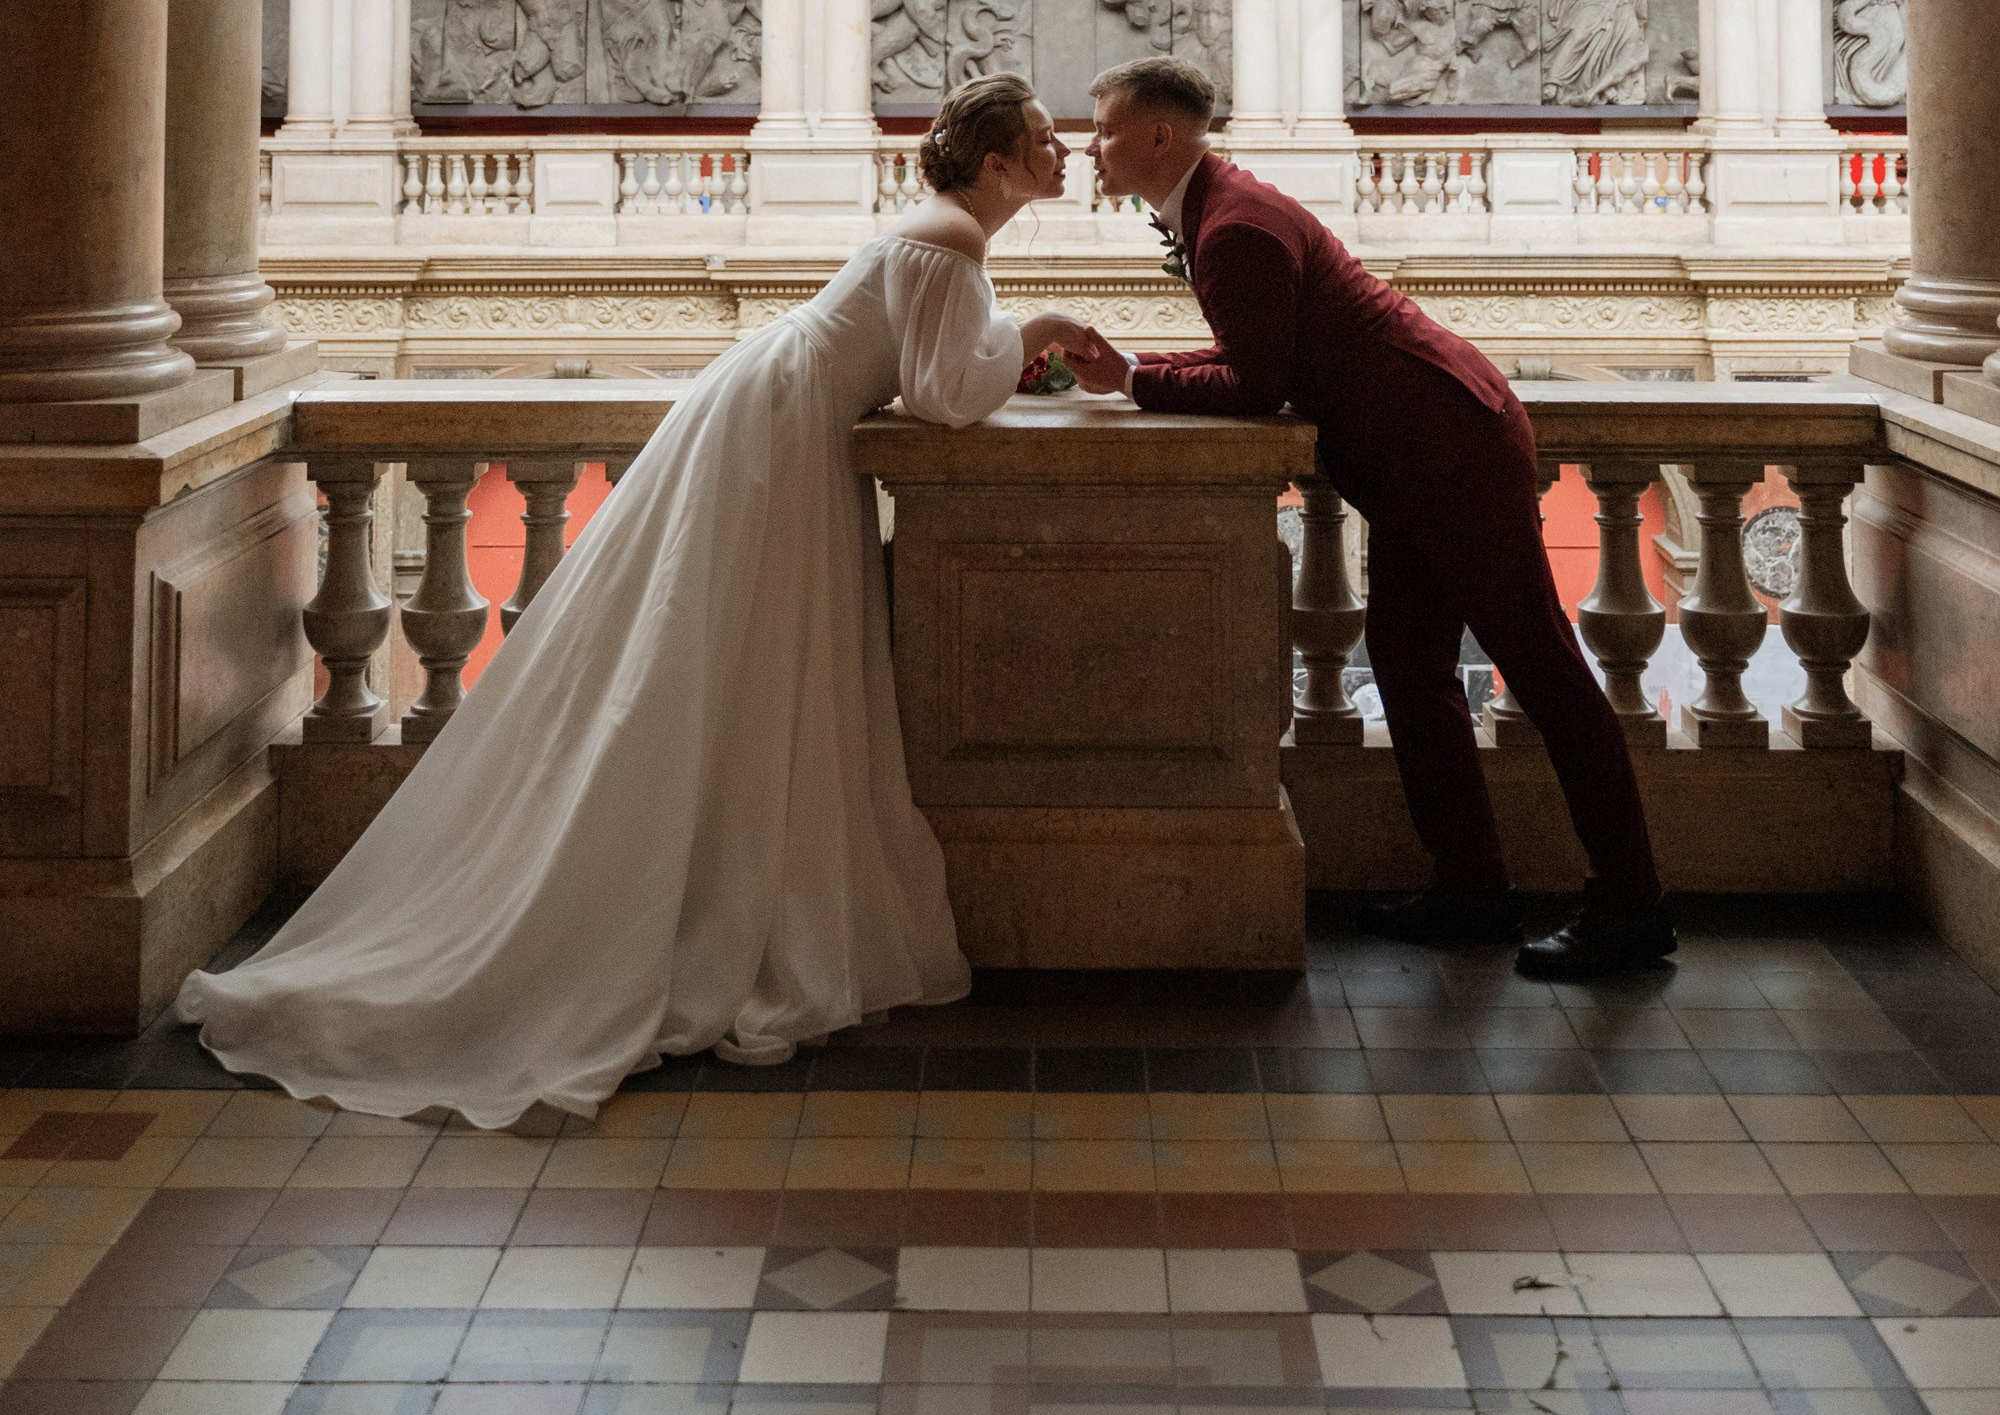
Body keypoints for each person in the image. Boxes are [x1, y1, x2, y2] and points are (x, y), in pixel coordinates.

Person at [177, 77, 1100, 1125]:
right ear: (994, 163)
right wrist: (1040, 330)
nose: (1061, 151)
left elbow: (928, 372)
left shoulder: (941, 229)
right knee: (731, 662)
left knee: (728, 658)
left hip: (776, 410)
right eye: (1041, 138)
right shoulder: (952, 240)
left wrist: (1020, 336)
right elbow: (941, 396)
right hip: (781, 431)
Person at [1058, 56, 1675, 982]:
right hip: (1414, 452)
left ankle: (1631, 905)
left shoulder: (1231, 227)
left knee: (1545, 672)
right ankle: (1472, 887)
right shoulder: (1219, 207)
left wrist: (1139, 379)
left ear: (1157, 137)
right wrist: (1139, 364)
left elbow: (1257, 384)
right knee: (1410, 670)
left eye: (1102, 127)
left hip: (1449, 447)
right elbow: (1258, 350)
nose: (1087, 145)